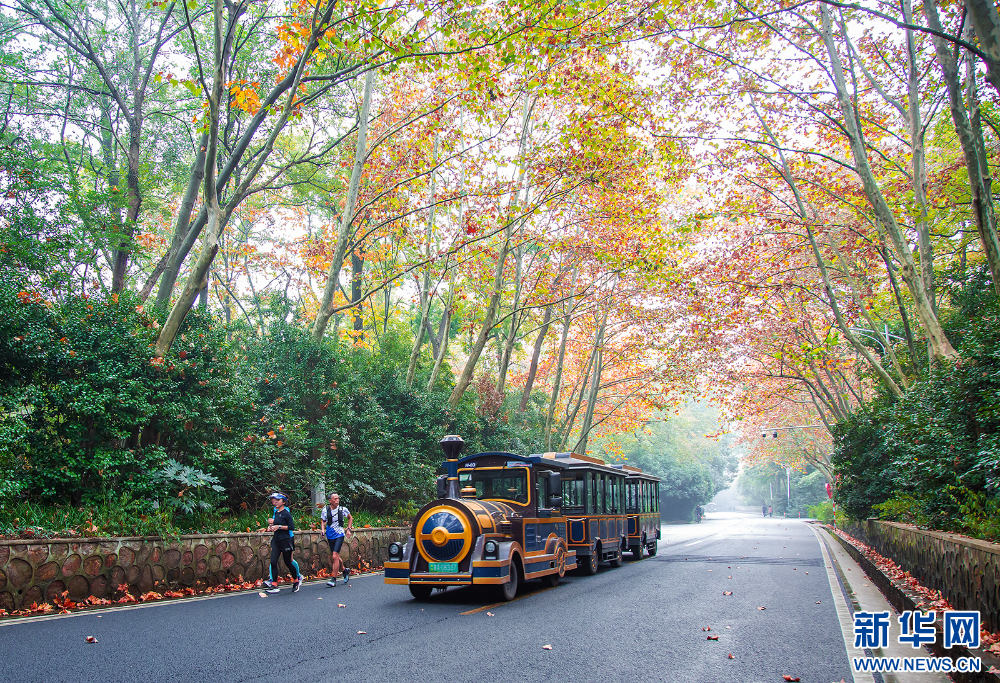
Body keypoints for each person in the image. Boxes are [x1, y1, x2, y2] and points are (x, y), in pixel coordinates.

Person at [262, 492, 302, 593]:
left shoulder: (286, 513)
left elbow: (291, 527)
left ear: (283, 502)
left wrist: (279, 527)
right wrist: (271, 527)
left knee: (288, 562)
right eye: (274, 500)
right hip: (276, 540)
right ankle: (274, 585)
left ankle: (296, 580)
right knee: (273, 562)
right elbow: (275, 523)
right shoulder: (276, 512)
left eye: (278, 500)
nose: (275, 502)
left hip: (286, 540)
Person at [321, 492, 354, 587]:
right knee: (335, 556)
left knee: (334, 556)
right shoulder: (325, 510)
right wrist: (322, 530)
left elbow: (350, 518)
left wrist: (348, 529)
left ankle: (334, 579)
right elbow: (323, 521)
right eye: (335, 499)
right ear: (330, 501)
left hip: (339, 534)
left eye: (338, 498)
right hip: (330, 534)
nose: (337, 500)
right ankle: (344, 570)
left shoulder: (343, 509)